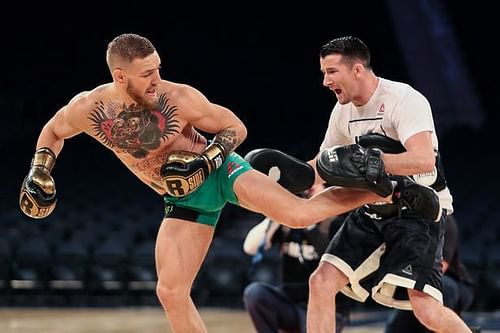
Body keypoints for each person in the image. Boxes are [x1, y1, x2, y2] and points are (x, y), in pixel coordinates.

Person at [18, 33, 391, 333]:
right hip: (183, 200)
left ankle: (381, 189)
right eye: (146, 73)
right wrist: (39, 170)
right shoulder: (90, 109)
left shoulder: (178, 98)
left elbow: (236, 127)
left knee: (297, 214)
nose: (156, 79)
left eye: (157, 68)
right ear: (119, 77)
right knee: (170, 292)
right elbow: (53, 130)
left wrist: (204, 161)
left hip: (220, 171)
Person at [305, 36, 473, 333]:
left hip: (418, 210)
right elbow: (324, 163)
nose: (324, 81)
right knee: (321, 282)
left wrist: (373, 161)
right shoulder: (342, 111)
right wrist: (285, 175)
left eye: (331, 72)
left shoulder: (404, 99)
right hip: (372, 210)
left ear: (357, 69)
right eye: (323, 73)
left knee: (425, 307)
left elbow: (424, 159)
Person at [242, 184, 351, 333]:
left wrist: (308, 222)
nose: (307, 193)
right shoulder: (287, 221)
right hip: (291, 303)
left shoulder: (337, 222)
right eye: (306, 189)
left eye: (313, 189)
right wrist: (276, 214)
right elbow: (250, 247)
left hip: (328, 308)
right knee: (255, 293)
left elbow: (334, 256)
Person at [385, 214, 478, 333]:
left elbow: (440, 268)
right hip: (411, 281)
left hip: (453, 280)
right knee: (396, 327)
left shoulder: (445, 221)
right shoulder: (400, 219)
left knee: (439, 288)